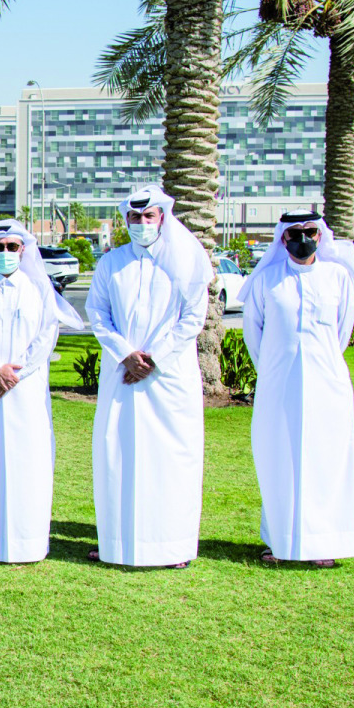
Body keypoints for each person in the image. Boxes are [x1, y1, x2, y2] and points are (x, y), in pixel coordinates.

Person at [86, 184, 212, 569]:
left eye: (149, 216)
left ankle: (171, 547)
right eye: (134, 217)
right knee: (117, 455)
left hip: (169, 378)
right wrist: (127, 355)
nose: (141, 223)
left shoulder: (186, 260)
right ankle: (117, 544)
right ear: (126, 220)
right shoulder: (112, 263)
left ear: (163, 217)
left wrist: (154, 359)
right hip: (121, 375)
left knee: (170, 460)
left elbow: (193, 318)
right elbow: (98, 313)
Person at [0, 220, 83, 563]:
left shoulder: (39, 290)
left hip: (26, 393)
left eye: (12, 247)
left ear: (24, 249)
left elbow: (46, 337)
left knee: (28, 463)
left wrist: (12, 374)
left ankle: (27, 543)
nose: (5, 253)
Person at [239, 210, 354, 568]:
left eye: (310, 231)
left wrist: (318, 366)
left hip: (328, 385)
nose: (302, 238)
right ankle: (278, 541)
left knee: (325, 461)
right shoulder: (267, 281)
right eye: (294, 232)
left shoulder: (338, 277)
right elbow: (253, 333)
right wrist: (277, 372)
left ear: (321, 236)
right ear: (283, 238)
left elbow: (342, 332)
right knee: (279, 459)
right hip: (279, 386)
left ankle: (322, 543)